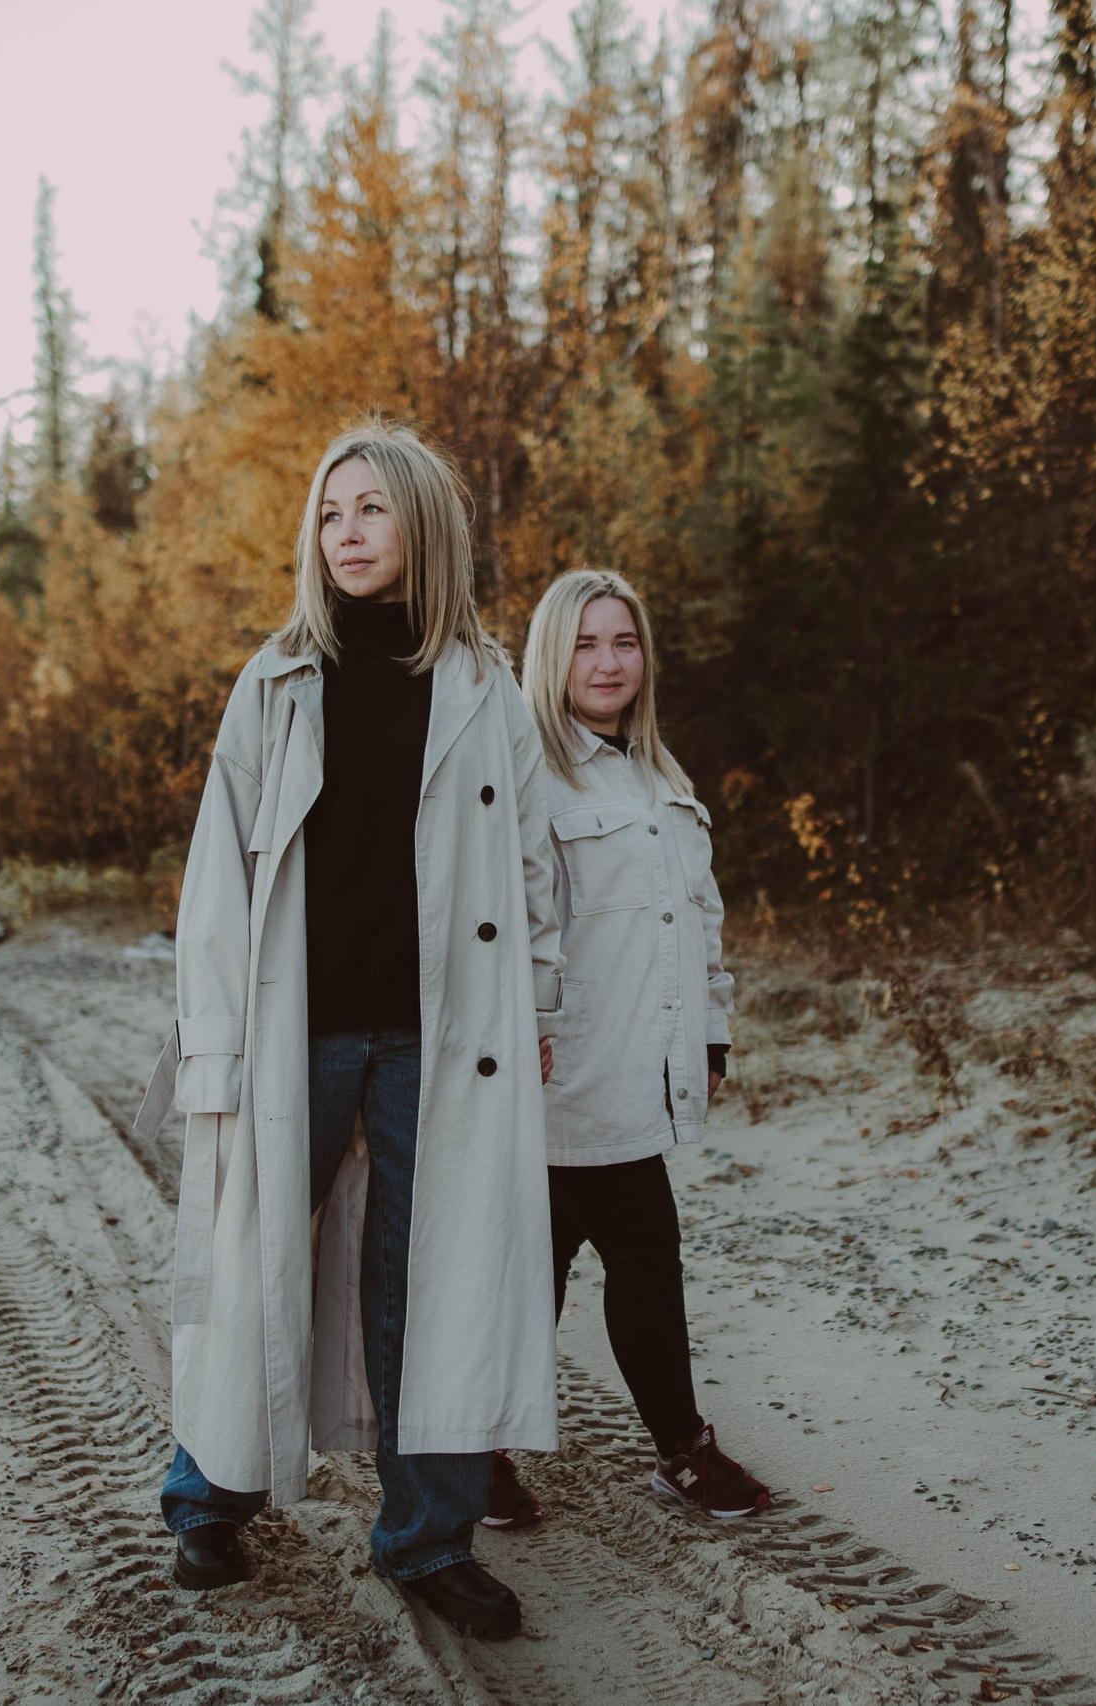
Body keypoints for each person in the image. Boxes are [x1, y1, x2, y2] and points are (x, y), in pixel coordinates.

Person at [139, 421, 562, 1640]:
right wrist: (214, 1043)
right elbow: (217, 880)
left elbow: (533, 868)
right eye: (330, 513)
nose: (346, 532)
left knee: (437, 1284)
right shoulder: (276, 680)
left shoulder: (484, 688)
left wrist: (535, 1005)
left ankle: (427, 1537)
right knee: (254, 1259)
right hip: (300, 1030)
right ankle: (206, 1495)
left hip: (446, 1038)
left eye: (371, 508)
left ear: (421, 524)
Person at [483, 568, 772, 1528]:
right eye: (585, 643)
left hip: (639, 1074)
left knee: (609, 1261)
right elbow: (502, 924)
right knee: (560, 1271)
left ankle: (658, 1450)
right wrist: (518, 1030)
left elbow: (700, 924)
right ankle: (499, 1456)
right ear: (551, 656)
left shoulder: (660, 779)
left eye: (624, 642)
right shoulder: (524, 772)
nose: (608, 663)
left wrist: (712, 1038)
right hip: (556, 1074)